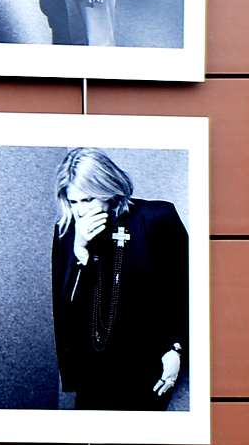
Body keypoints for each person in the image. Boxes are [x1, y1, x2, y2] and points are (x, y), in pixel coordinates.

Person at [49, 146, 189, 412]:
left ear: (109, 189)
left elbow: (186, 290)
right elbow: (66, 310)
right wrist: (81, 251)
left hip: (148, 365)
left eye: (88, 200)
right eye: (73, 201)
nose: (80, 211)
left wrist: (176, 349)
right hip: (94, 369)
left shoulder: (158, 218)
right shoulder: (67, 230)